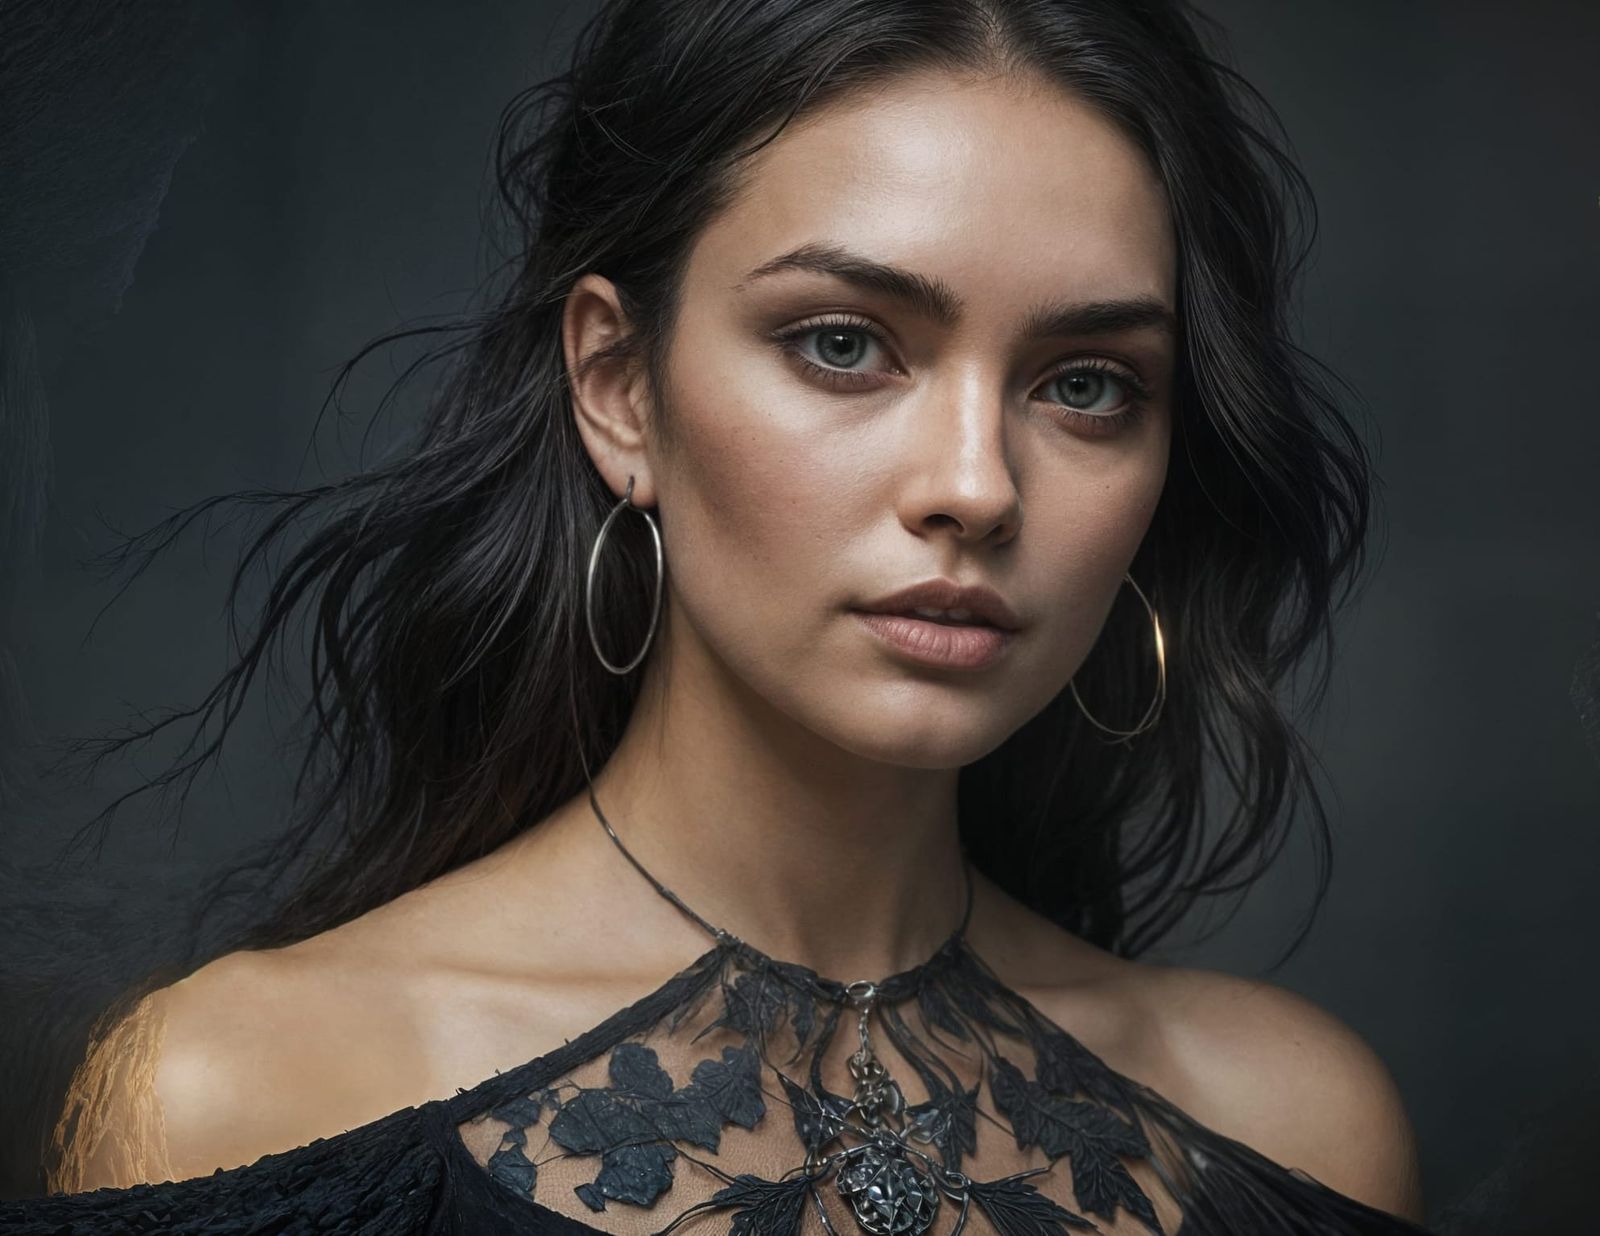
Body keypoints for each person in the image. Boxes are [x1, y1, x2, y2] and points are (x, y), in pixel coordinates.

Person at [1, 0, 1433, 1232]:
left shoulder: (1297, 1129)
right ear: (620, 388)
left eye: (1086, 384)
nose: (975, 487)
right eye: (844, 345)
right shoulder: (240, 1091)